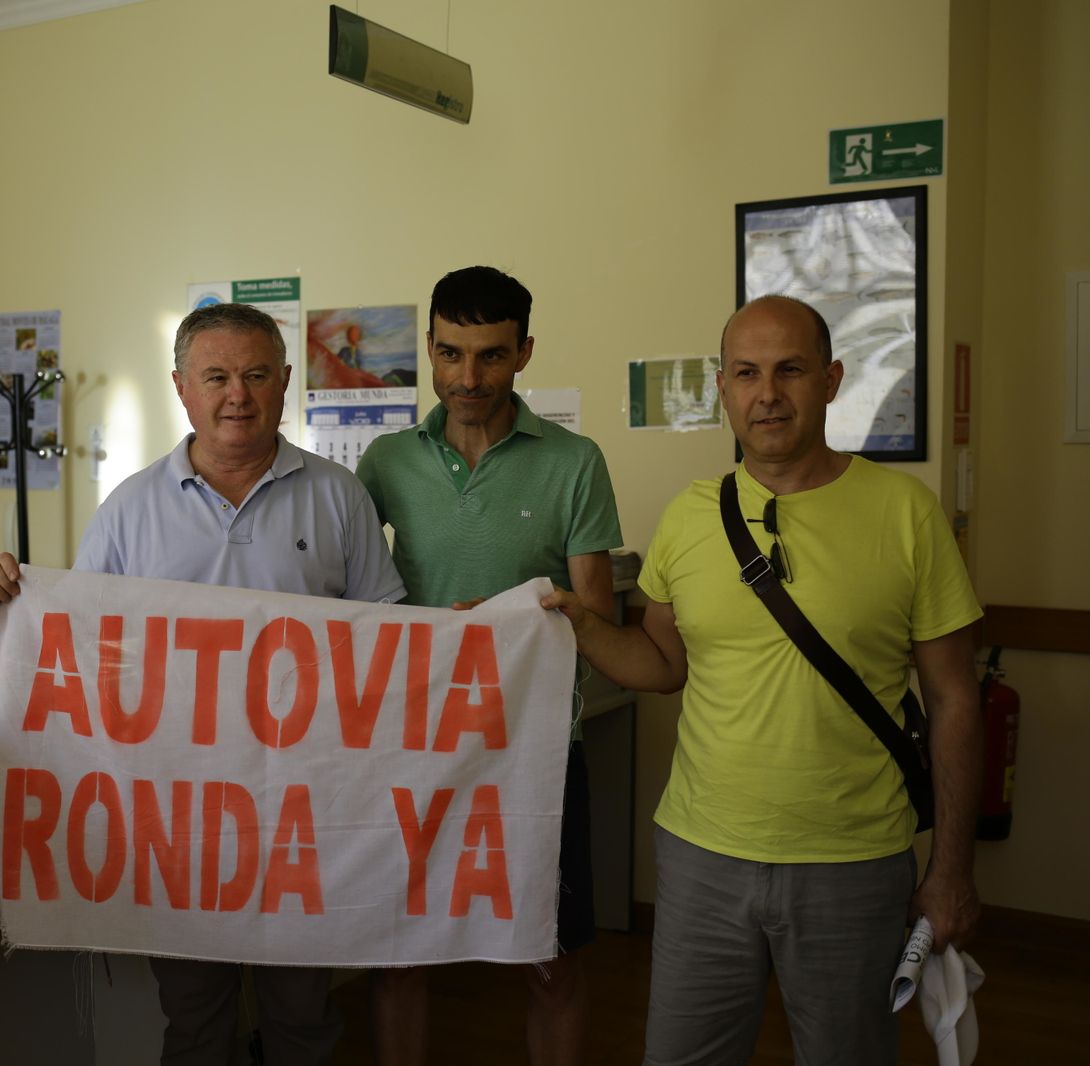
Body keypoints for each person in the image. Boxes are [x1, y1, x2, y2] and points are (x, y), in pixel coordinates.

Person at [543, 294, 983, 1065]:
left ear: (832, 379)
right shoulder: (687, 517)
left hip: (853, 862)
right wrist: (578, 624)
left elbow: (954, 697)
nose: (767, 393)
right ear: (722, 387)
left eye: (790, 370)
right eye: (746, 373)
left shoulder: (906, 513)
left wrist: (950, 871)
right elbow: (663, 666)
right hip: (700, 856)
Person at [0, 302, 406, 1066]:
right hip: (178, 823)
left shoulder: (339, 498)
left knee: (305, 1017)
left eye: (254, 375)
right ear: (181, 387)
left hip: (303, 819)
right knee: (196, 1022)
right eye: (216, 377)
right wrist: (7, 608)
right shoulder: (128, 511)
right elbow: (80, 651)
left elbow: (390, 644)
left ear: (284, 382)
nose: (236, 394)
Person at [356, 266, 622, 1066]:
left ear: (525, 353)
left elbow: (599, 618)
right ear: (430, 350)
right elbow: (352, 604)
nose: (467, 379)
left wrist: (518, 622)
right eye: (450, 353)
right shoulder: (385, 463)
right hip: (414, 745)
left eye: (491, 357)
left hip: (535, 750)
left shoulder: (574, 461)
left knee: (550, 962)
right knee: (400, 958)